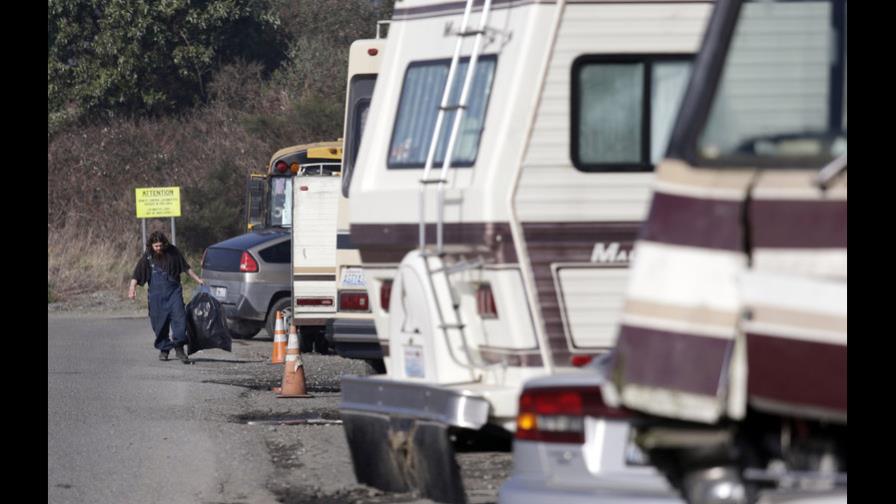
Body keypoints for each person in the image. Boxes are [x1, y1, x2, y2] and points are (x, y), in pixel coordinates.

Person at [128, 231, 204, 364]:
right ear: (151, 245)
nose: (158, 248)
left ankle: (179, 348)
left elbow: (186, 268)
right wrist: (132, 289)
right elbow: (137, 274)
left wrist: (198, 279)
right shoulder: (148, 257)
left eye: (160, 246)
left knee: (180, 321)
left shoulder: (173, 252)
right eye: (155, 246)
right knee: (159, 325)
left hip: (174, 293)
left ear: (164, 244)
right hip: (156, 297)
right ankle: (164, 349)